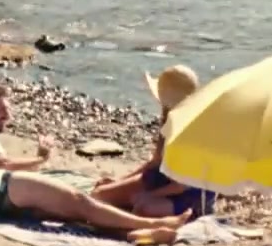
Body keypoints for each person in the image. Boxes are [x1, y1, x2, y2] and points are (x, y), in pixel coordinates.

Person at [0, 85, 191, 245]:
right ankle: (155, 223)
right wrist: (40, 159)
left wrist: (38, 160)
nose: (7, 115)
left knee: (75, 215)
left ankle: (134, 233)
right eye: (3, 109)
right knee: (80, 201)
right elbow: (2, 162)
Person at [90, 64, 216, 218]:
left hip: (191, 191)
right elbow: (156, 162)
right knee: (99, 194)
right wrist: (119, 181)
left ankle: (191, 213)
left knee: (142, 207)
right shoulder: (169, 121)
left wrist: (151, 195)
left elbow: (182, 184)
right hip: (163, 179)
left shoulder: (190, 133)